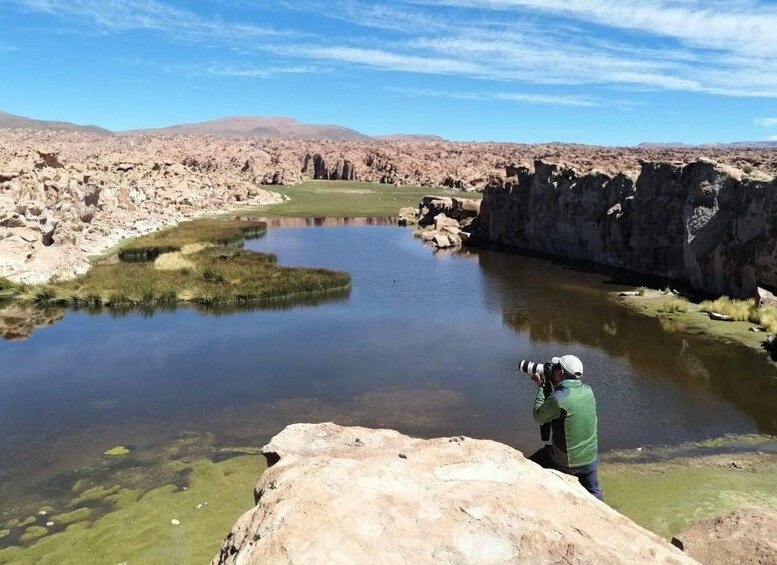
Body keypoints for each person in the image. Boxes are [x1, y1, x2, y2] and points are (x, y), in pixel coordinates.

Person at [529, 354, 603, 501]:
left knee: (534, 462)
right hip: (591, 459)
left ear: (561, 373)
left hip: (567, 462)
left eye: (556, 368)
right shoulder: (588, 390)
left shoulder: (559, 399)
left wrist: (542, 388)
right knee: (594, 492)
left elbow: (538, 416)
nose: (553, 370)